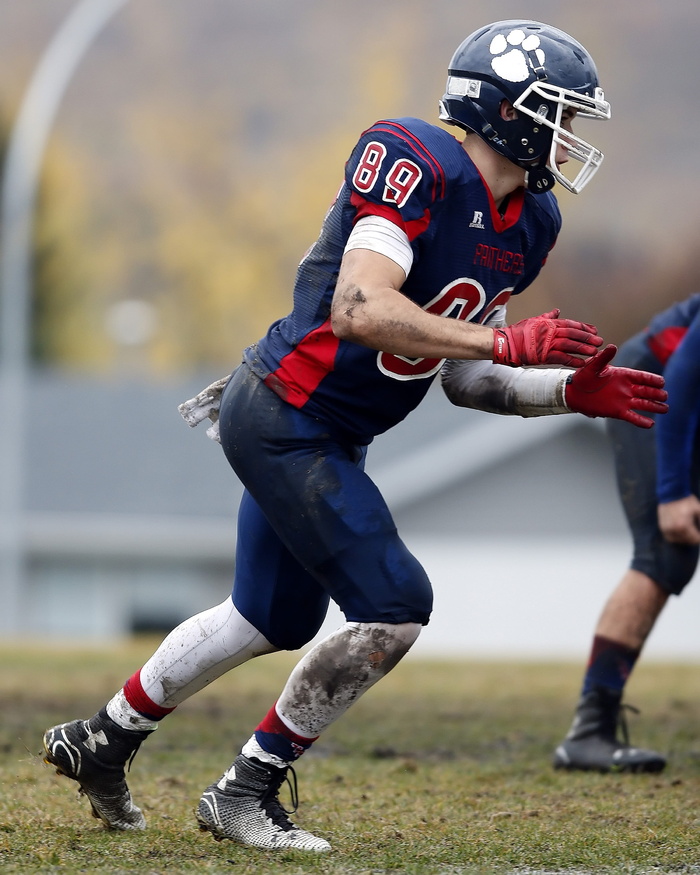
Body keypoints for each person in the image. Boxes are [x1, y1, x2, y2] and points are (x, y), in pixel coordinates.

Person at [42, 20, 668, 852]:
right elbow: (359, 307)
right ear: (508, 109)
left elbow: (467, 376)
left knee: (270, 614)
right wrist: (501, 340)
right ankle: (246, 789)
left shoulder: (531, 221)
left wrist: (567, 392)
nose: (571, 135)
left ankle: (103, 738)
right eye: (560, 112)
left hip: (329, 432)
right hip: (284, 411)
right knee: (397, 602)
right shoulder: (416, 162)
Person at [554, 294, 700, 773]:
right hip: (659, 382)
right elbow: (684, 374)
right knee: (666, 552)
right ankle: (589, 733)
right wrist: (674, 491)